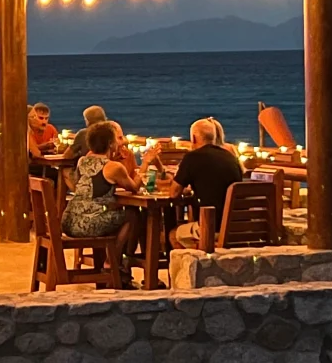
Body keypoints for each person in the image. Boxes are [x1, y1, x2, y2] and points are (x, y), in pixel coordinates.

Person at [60, 122, 157, 283]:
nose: (120, 143)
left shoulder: (82, 161)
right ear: (111, 144)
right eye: (116, 140)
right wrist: (146, 163)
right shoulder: (113, 167)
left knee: (116, 215)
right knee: (131, 215)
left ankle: (116, 264)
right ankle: (112, 261)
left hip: (68, 221)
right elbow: (134, 187)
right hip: (87, 225)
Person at [167, 118, 245, 249]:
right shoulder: (230, 157)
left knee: (174, 235)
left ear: (194, 138)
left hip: (211, 226)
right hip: (235, 225)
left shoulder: (192, 157)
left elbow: (174, 193)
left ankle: (196, 266)